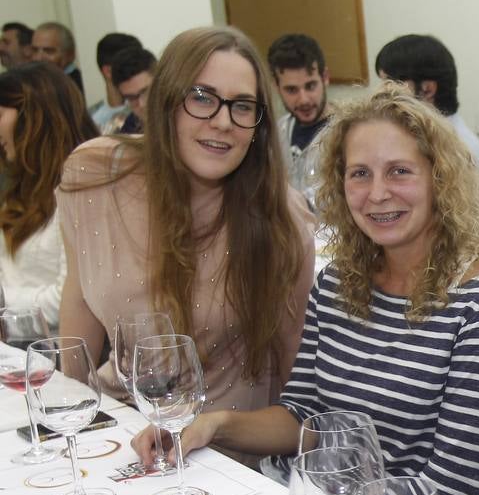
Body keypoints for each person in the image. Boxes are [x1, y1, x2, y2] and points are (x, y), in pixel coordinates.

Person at [131, 85, 479, 495]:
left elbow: (440, 492)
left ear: (439, 180)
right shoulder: (339, 283)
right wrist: (212, 425)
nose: (378, 193)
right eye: (359, 174)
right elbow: (304, 418)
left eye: (399, 172)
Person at [57, 26, 314, 440]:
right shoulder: (95, 176)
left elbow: (294, 374)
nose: (223, 121)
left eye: (243, 107)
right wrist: (72, 417)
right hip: (115, 427)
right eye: (201, 98)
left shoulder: (278, 215)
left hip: (219, 452)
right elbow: (81, 295)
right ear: (166, 103)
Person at [0, 63, 98, 328]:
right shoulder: (23, 184)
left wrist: (3, 302)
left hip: (57, 353)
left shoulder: (86, 188)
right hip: (19, 348)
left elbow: (71, 301)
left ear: (33, 117)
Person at [374, 34, 479, 182]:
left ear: (427, 89)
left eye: (390, 84)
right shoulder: (431, 137)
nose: (381, 93)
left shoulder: (453, 151)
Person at [267, 33, 332, 200]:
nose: (303, 99)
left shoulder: (347, 132)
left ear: (325, 78)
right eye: (291, 90)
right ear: (276, 86)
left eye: (310, 86)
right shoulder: (273, 134)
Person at [88, 32, 141, 130]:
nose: (138, 71)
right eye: (129, 65)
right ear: (108, 71)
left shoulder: (143, 110)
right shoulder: (89, 118)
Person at [108, 47, 155, 135]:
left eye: (146, 91)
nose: (142, 104)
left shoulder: (184, 115)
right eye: (132, 98)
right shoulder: (130, 129)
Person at [32, 22, 81, 94]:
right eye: (35, 50)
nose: (39, 58)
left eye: (49, 51)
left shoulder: (76, 87)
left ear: (70, 55)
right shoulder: (38, 85)